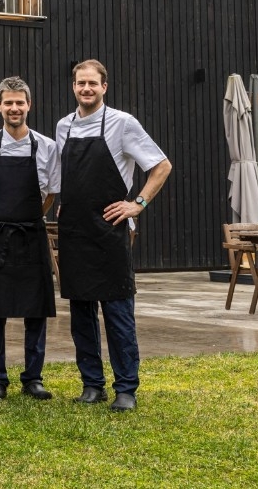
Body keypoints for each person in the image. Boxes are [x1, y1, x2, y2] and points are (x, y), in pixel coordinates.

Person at [51, 59, 172, 412]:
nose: (86, 88)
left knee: (118, 313)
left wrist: (137, 204)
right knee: (81, 315)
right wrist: (64, 204)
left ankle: (126, 388)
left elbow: (161, 165)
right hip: (75, 232)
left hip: (110, 231)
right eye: (80, 83)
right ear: (73, 86)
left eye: (92, 83)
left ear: (104, 87)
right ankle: (92, 385)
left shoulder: (123, 123)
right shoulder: (63, 126)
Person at [0, 76, 58, 400]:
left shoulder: (47, 146)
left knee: (36, 310)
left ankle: (33, 378)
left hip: (32, 234)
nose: (14, 108)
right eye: (8, 102)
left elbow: (51, 192)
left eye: (19, 102)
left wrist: (30, 216)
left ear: (29, 105)